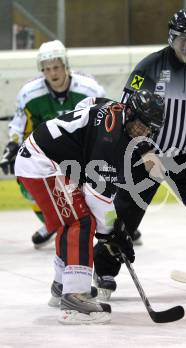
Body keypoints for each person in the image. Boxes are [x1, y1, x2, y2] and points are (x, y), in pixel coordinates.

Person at [93, 9, 186, 299]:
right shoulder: (149, 67)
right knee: (125, 212)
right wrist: (146, 150)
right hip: (143, 154)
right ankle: (104, 271)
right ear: (171, 37)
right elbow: (126, 112)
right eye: (183, 39)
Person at [14, 89, 165, 324]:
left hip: (46, 158)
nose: (144, 132)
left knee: (72, 218)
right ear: (131, 113)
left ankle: (61, 284)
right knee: (81, 220)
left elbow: (89, 102)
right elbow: (97, 197)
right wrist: (112, 234)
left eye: (150, 129)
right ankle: (74, 297)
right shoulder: (110, 141)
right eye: (141, 126)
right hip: (42, 164)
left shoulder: (115, 108)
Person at [0, 39, 106, 249]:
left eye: (56, 67)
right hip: (46, 155)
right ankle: (53, 223)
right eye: (47, 69)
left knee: (99, 184)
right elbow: (19, 124)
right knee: (27, 184)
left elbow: (103, 120)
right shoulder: (29, 93)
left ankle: (107, 225)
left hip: (81, 152)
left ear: (66, 65)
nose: (53, 73)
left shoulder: (89, 88)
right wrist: (11, 148)